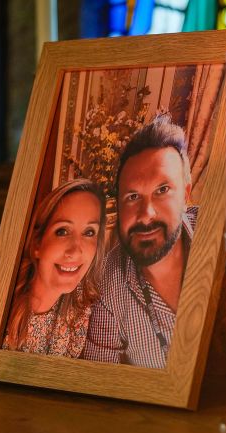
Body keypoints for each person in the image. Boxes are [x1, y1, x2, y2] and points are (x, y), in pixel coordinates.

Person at [82, 113, 195, 368]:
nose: (146, 215)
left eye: (162, 190)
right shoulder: (108, 279)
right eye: (132, 196)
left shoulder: (218, 239)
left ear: (186, 195)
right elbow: (98, 380)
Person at [3, 178, 106, 357]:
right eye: (62, 231)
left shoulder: (82, 304)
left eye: (89, 232)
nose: (75, 251)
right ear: (37, 243)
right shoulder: (3, 305)